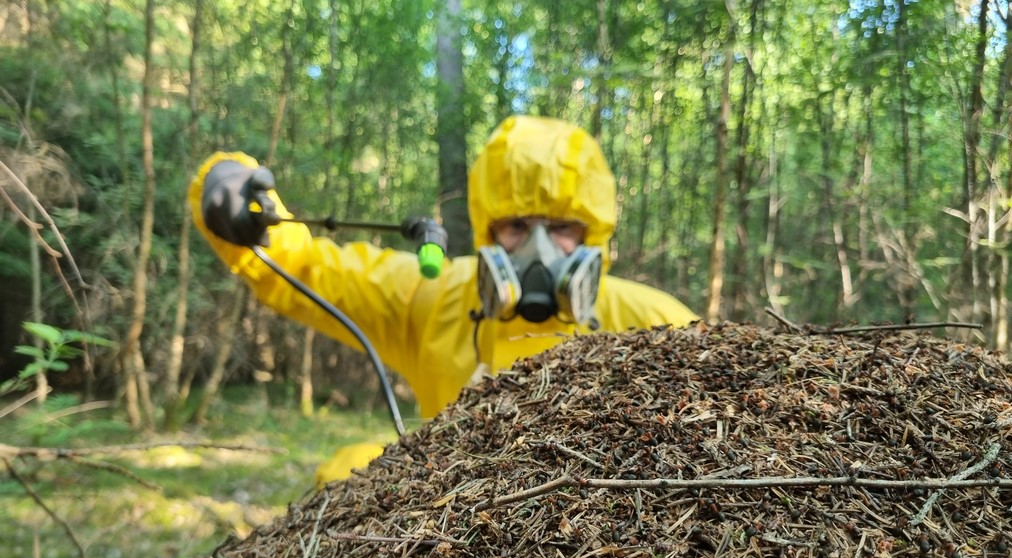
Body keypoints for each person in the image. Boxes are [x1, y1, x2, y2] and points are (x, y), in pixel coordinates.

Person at [189, 115, 698, 483]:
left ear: (593, 234)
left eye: (563, 228)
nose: (540, 251)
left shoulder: (655, 324)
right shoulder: (434, 299)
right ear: (486, 231)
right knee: (345, 475)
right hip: (453, 534)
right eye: (517, 226)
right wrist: (246, 208)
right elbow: (315, 270)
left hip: (603, 542)